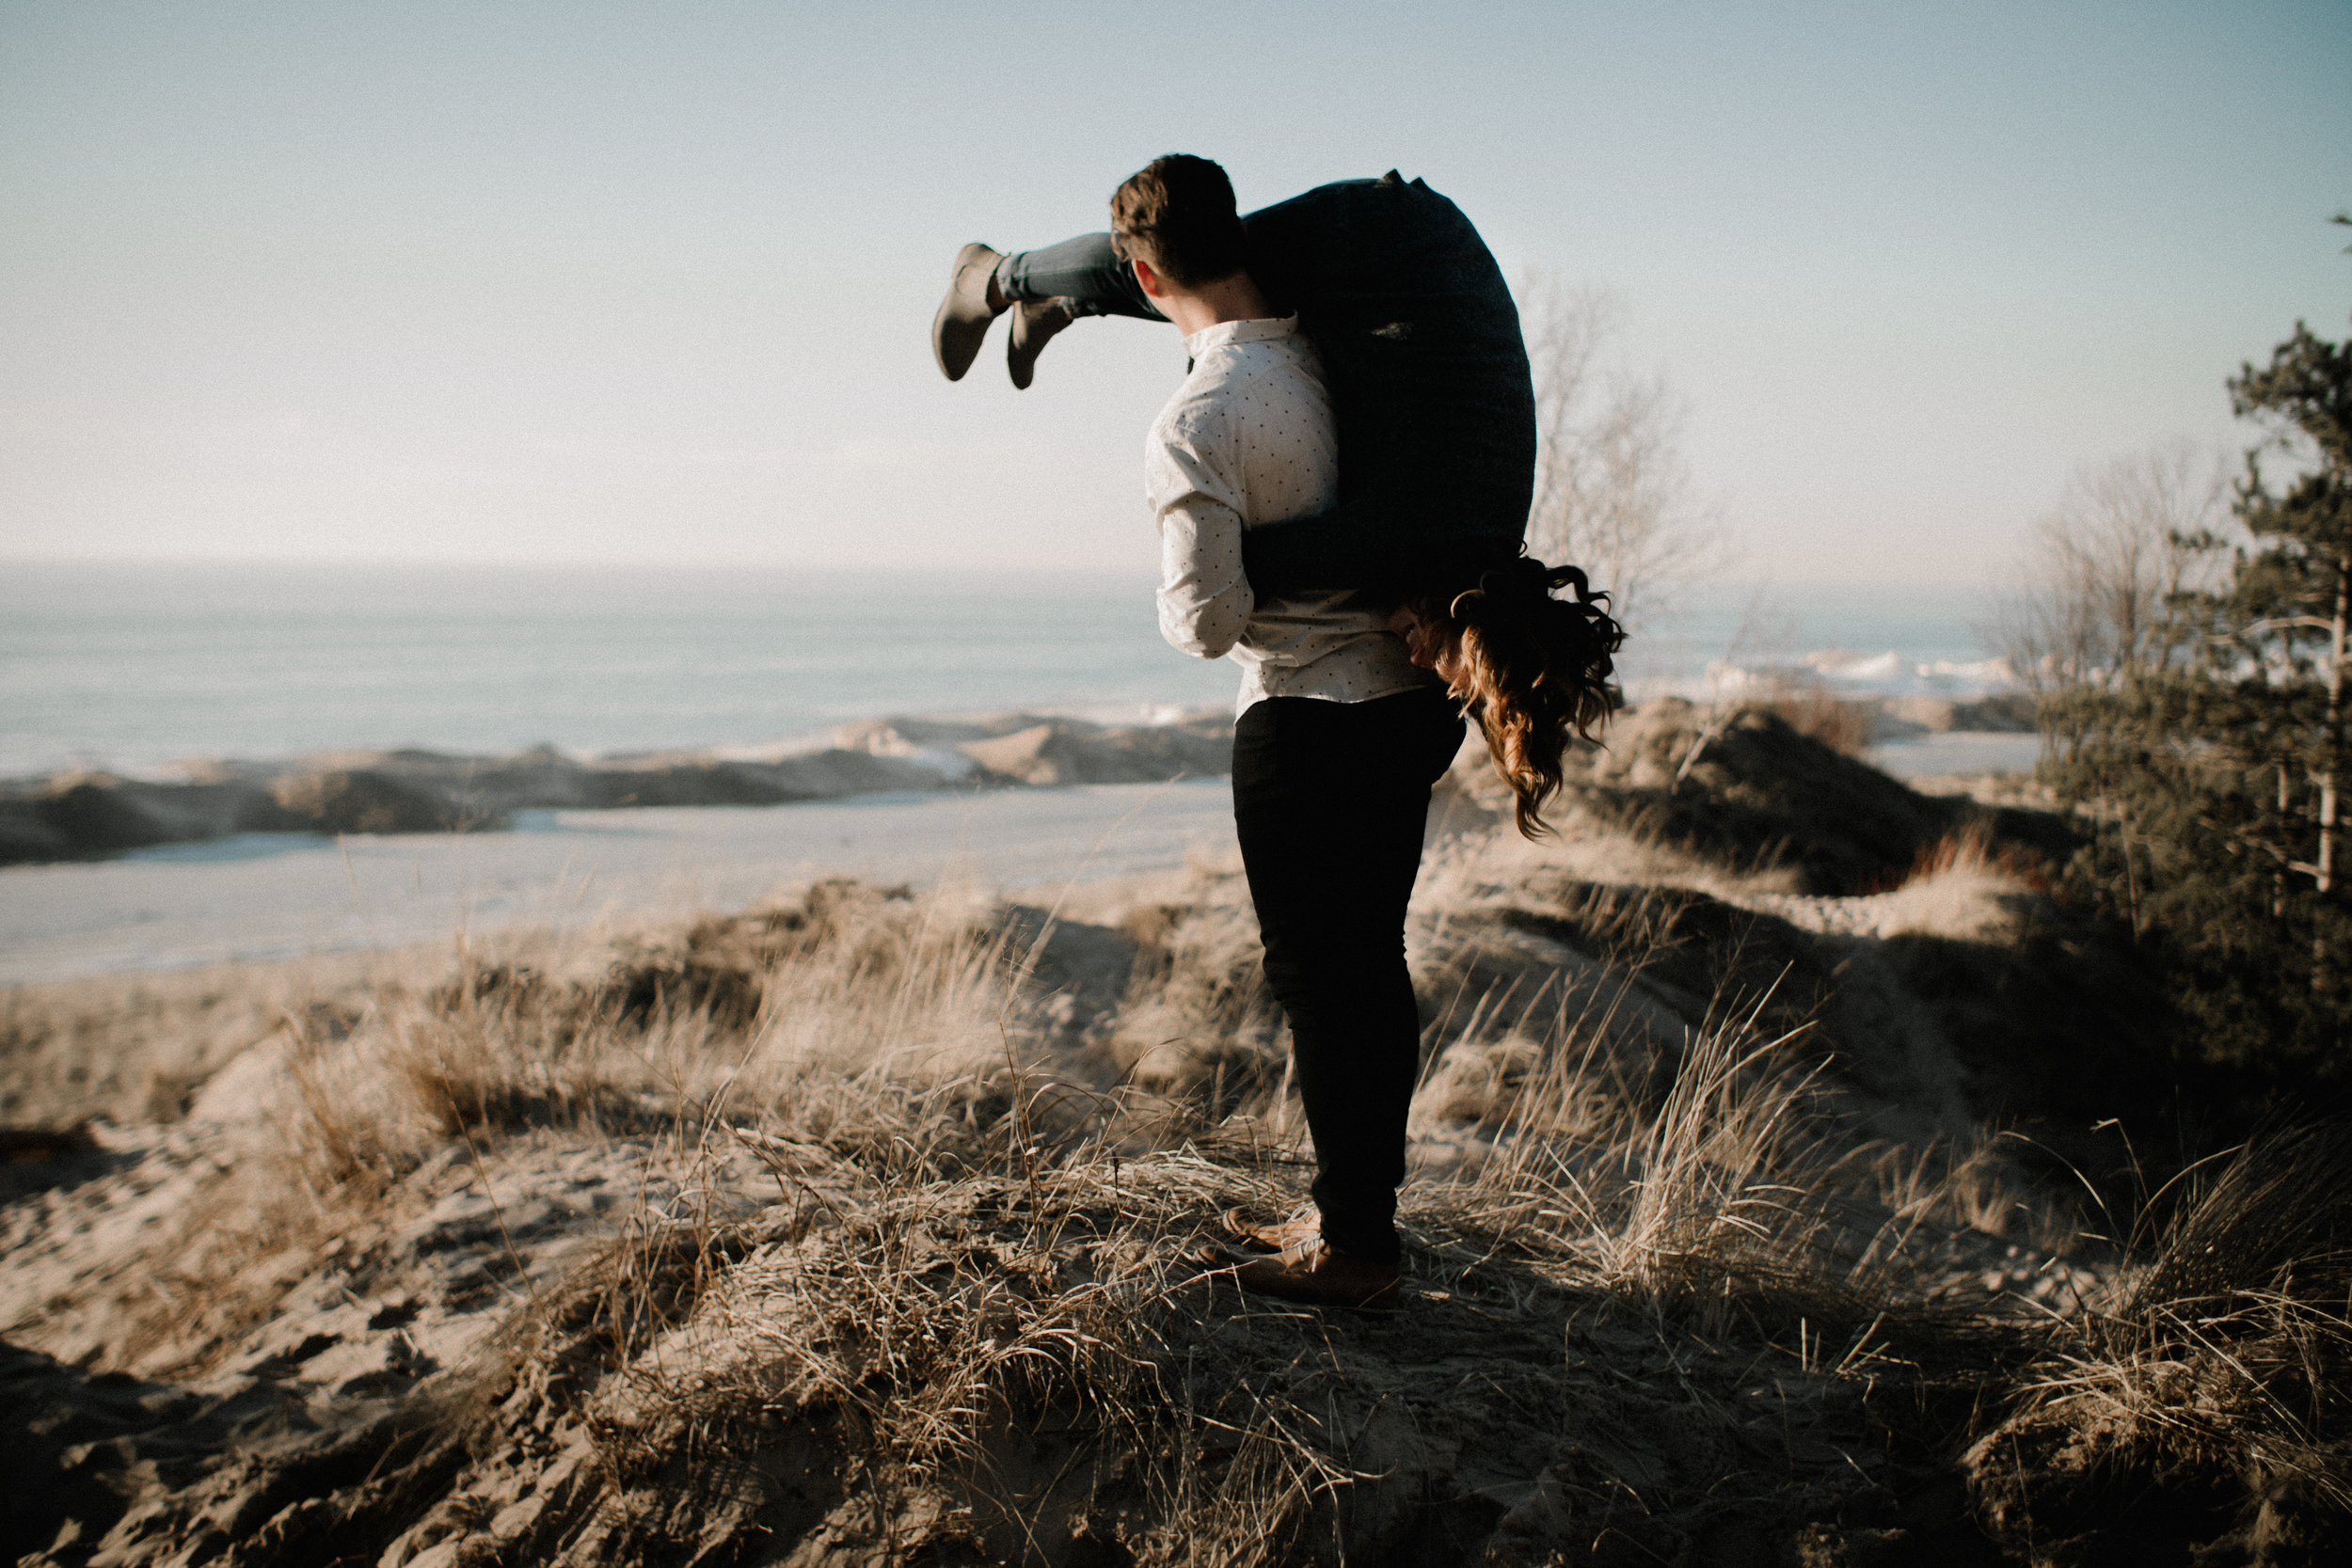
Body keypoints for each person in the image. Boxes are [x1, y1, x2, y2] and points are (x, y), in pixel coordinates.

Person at [1104, 155, 1621, 1311]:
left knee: (1321, 981)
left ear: (1144, 276)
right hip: (1407, 706)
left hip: (1302, 723)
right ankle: (1350, 1210)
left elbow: (1204, 622)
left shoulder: (1193, 421)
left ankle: (1355, 1246)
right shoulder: (1343, 356)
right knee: (1366, 967)